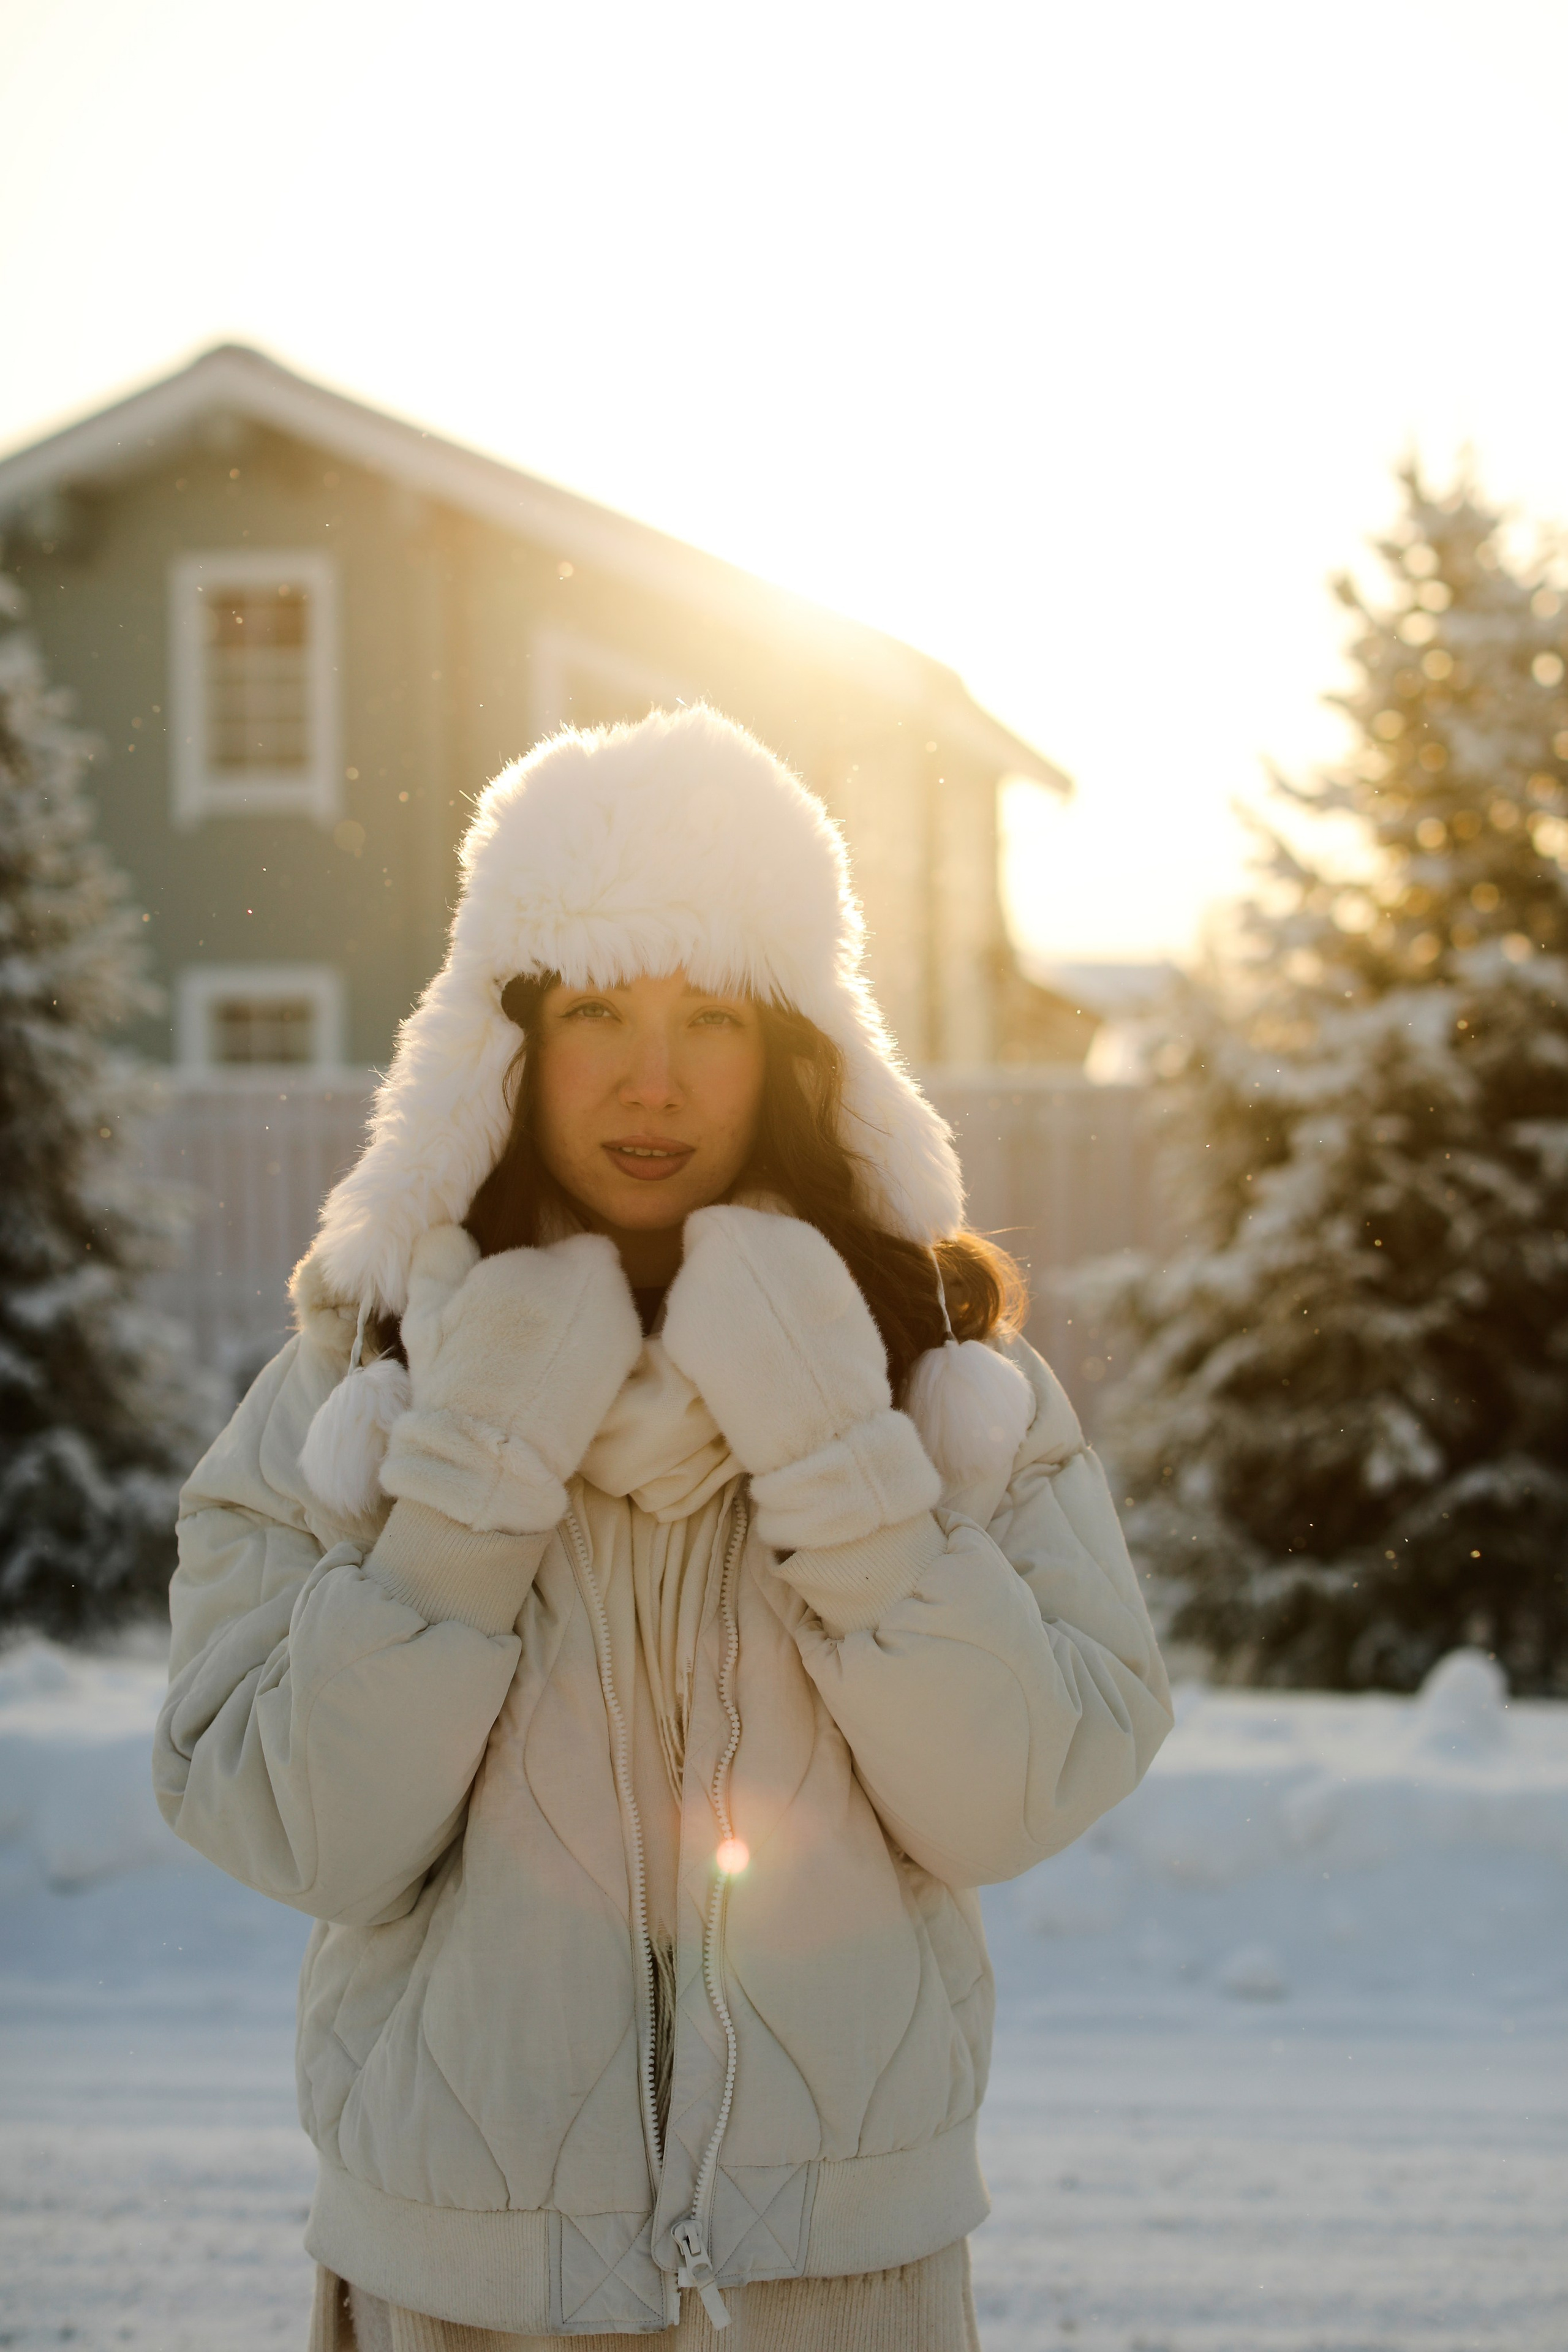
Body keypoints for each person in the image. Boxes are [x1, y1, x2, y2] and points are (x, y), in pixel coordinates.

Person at [154, 706, 1172, 2351]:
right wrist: (474, 1471)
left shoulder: (946, 1388)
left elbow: (1023, 1788)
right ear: (506, 1045)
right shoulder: (354, 1394)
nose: (652, 1072)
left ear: (792, 1048)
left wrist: (840, 1454)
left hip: (841, 2296)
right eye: (598, 1008)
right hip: (467, 2297)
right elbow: (294, 1830)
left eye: (712, 1012)